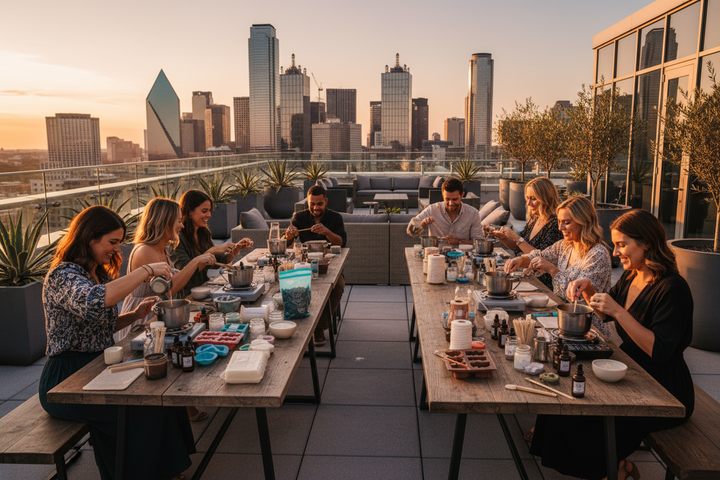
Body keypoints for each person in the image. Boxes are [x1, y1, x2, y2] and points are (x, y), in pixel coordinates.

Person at [531, 209, 694, 480]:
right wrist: (589, 289)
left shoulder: (672, 288)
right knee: (561, 403)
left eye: (621, 244)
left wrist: (619, 312)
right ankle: (611, 467)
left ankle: (609, 470)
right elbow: (605, 312)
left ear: (646, 243)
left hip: (663, 389)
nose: (616, 252)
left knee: (583, 418)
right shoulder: (633, 274)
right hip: (629, 369)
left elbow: (660, 350)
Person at [38, 205, 194, 480]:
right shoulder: (62, 276)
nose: (116, 249)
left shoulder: (95, 273)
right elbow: (95, 300)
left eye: (120, 243)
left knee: (163, 398)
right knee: (136, 411)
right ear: (89, 238)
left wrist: (135, 315)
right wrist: (145, 270)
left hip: (99, 365)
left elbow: (103, 322)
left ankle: (167, 470)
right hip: (65, 378)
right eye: (112, 242)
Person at [504, 196, 612, 336]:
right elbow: (541, 255)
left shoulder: (597, 254)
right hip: (562, 321)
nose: (560, 228)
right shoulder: (565, 245)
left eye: (566, 222)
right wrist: (521, 260)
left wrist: (552, 270)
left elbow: (579, 299)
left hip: (588, 329)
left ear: (584, 222)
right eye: (560, 222)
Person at [118, 197, 216, 341]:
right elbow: (169, 288)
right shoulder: (145, 251)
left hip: (160, 317)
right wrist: (196, 261)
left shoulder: (162, 248)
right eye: (178, 221)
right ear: (165, 222)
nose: (182, 226)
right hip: (144, 320)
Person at [285, 185, 346, 346]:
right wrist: (289, 236)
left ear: (326, 202)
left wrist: (327, 232)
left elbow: (342, 242)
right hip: (304, 264)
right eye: (312, 203)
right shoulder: (299, 217)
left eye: (319, 204)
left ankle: (319, 327)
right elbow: (287, 243)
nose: (315, 207)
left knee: (338, 285)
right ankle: (292, 322)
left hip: (329, 263)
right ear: (308, 202)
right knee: (286, 283)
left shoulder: (335, 218)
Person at [486, 177, 563, 288]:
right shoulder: (534, 219)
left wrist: (516, 237)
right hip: (523, 275)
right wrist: (503, 238)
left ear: (546, 198)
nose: (528, 203)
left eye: (533, 198)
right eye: (527, 198)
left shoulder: (555, 225)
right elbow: (518, 247)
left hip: (540, 283)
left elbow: (541, 259)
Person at [171, 189, 253, 293]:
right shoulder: (177, 238)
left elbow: (215, 262)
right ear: (190, 212)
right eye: (204, 211)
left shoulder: (203, 232)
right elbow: (185, 273)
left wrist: (234, 251)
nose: (209, 215)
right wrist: (212, 250)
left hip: (204, 288)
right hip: (188, 294)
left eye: (209, 211)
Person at [406, 178, 485, 245]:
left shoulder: (473, 213)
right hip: (436, 257)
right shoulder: (432, 209)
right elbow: (411, 231)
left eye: (455, 199)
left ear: (462, 195)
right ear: (442, 195)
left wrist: (459, 242)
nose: (451, 203)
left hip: (462, 258)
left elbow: (479, 242)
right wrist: (422, 224)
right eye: (447, 199)